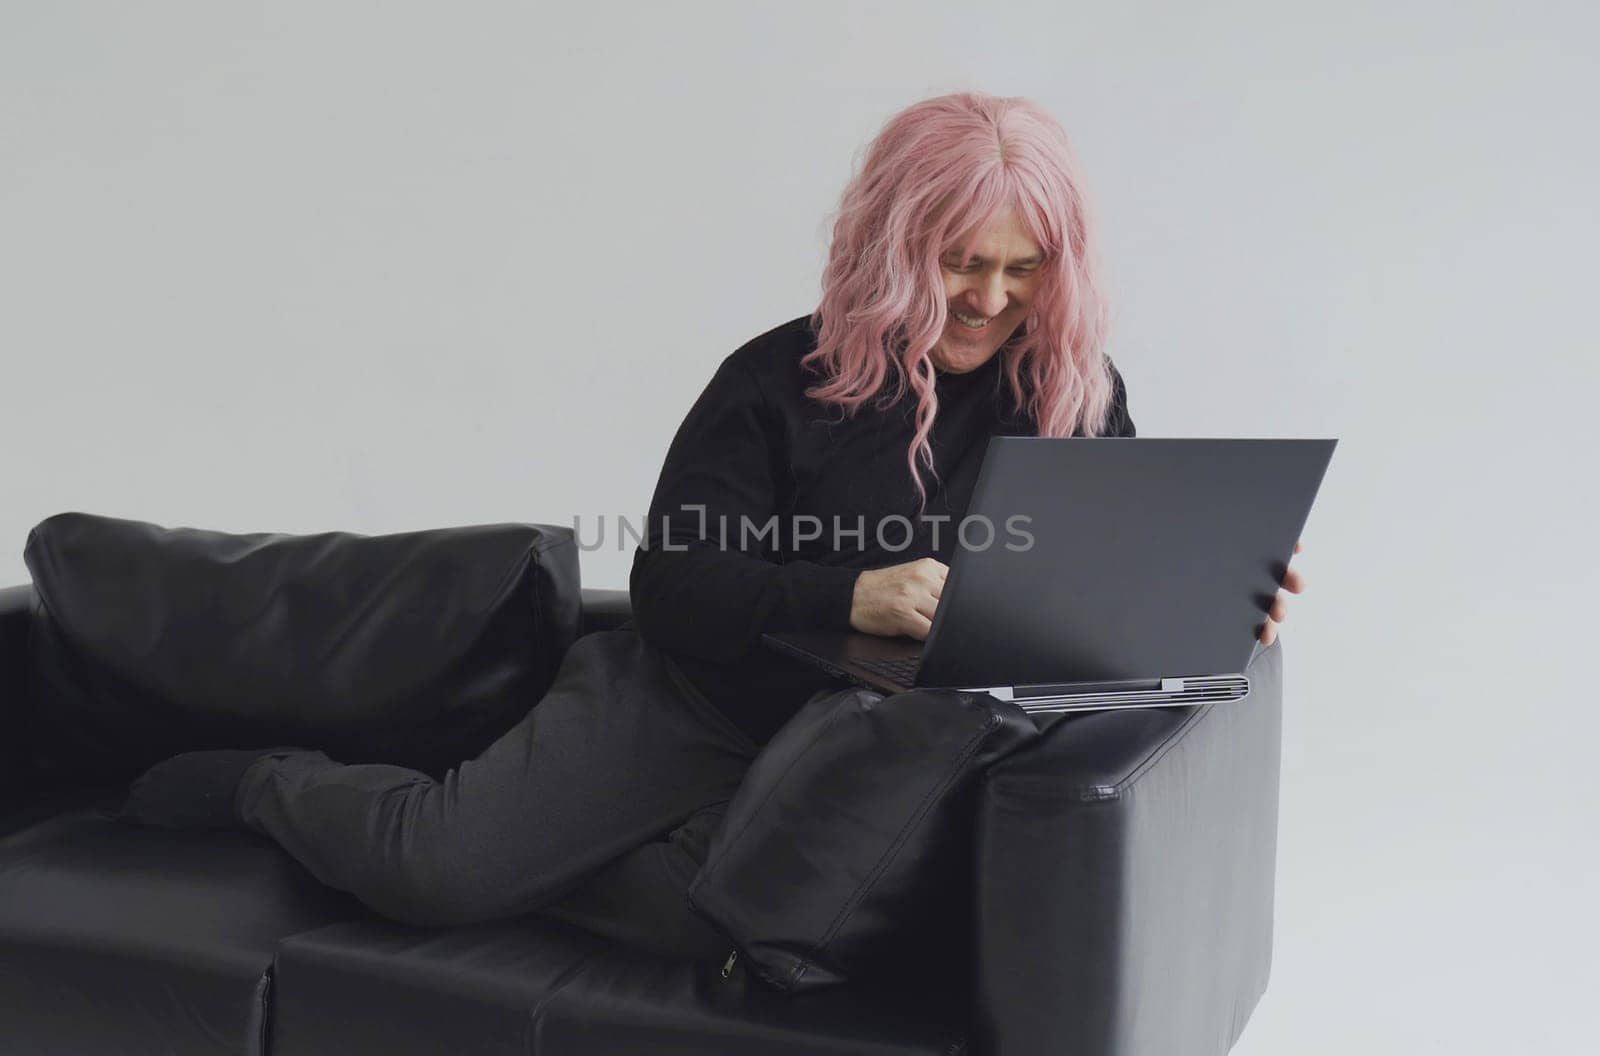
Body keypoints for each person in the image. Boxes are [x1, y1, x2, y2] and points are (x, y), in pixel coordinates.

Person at [114, 91, 1306, 957]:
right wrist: (850, 597)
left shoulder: (1074, 394)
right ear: (897, 247)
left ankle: (550, 831)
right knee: (439, 875)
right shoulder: (777, 379)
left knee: (730, 924)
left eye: (1022, 267)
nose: (991, 299)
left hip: (843, 754)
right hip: (690, 697)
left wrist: (1223, 587)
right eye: (960, 262)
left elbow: (1106, 572)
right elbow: (675, 584)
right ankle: (270, 782)